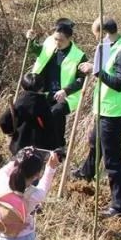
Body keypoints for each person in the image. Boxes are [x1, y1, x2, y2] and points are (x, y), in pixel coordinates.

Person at [74, 18, 121, 217]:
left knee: (112, 160)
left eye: (97, 36)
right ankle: (86, 172)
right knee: (94, 141)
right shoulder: (112, 47)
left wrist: (96, 71)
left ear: (104, 33)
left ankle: (119, 206)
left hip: (114, 113)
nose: (96, 41)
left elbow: (119, 83)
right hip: (105, 109)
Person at [25, 19, 86, 148]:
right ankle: (43, 146)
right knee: (39, 117)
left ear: (70, 39)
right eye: (56, 39)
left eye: (61, 40)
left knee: (54, 114)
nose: (57, 43)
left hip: (66, 96)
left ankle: (58, 149)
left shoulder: (79, 56)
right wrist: (30, 41)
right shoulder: (49, 44)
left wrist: (66, 91)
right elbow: (36, 51)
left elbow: (81, 80)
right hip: (45, 91)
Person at [0, 73, 56, 154]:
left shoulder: (20, 102)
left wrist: (11, 132)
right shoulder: (43, 105)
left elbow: (3, 121)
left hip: (18, 147)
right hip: (37, 151)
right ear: (42, 88)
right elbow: (50, 129)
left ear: (23, 86)